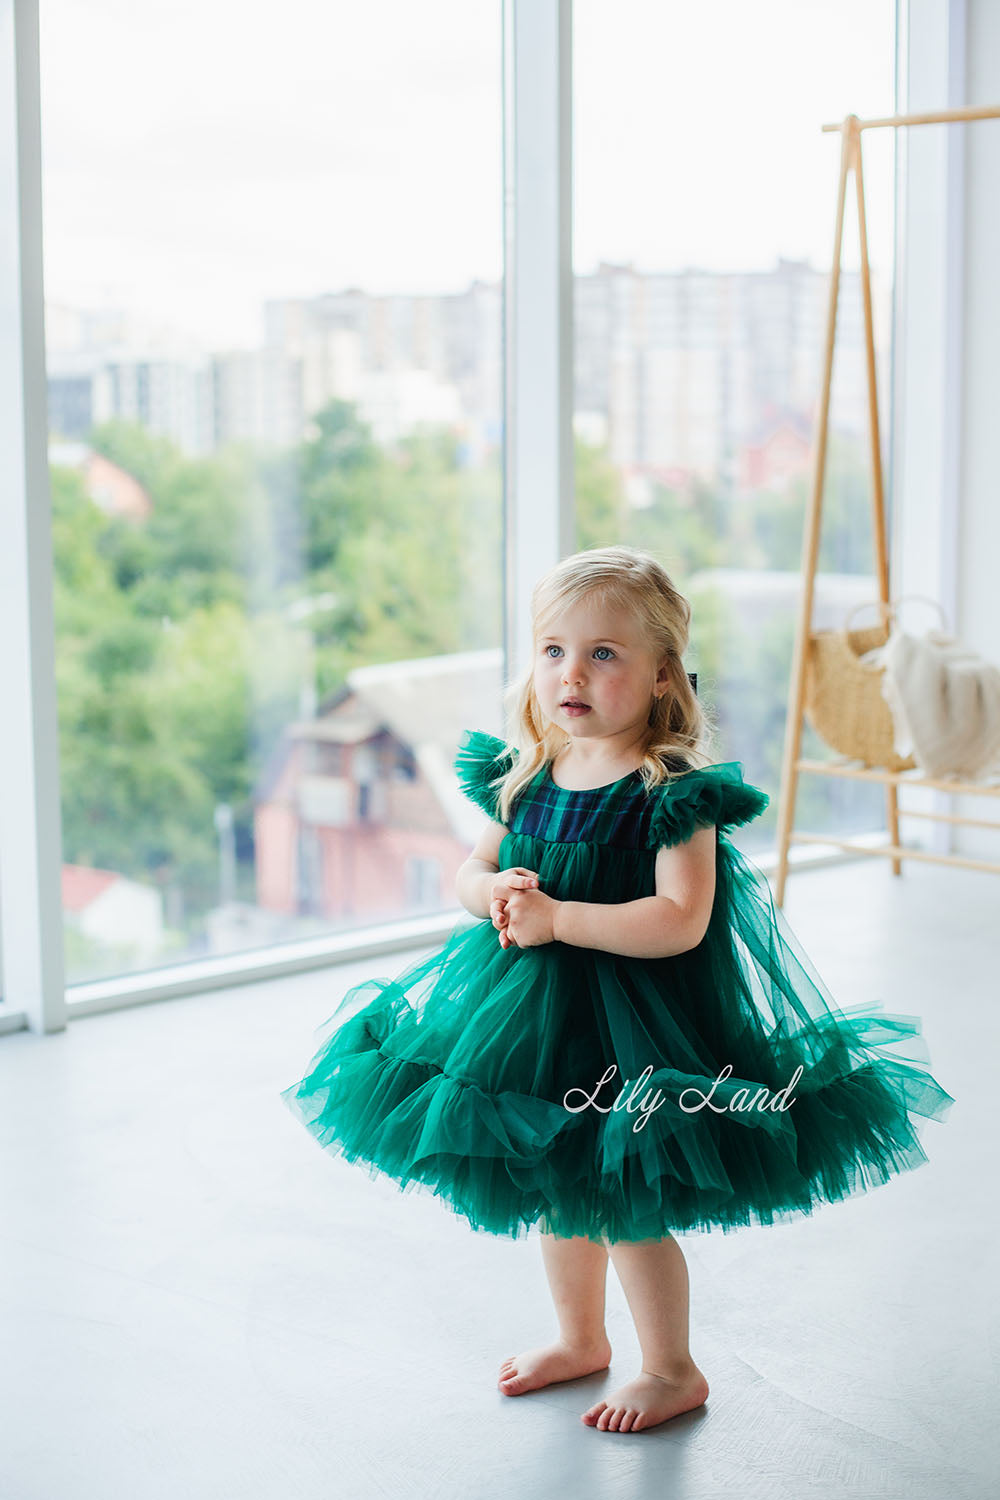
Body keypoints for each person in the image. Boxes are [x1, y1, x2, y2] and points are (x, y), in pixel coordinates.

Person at [280, 544, 955, 1436]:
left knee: (627, 1193)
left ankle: (673, 1367)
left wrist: (562, 919)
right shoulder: (525, 774)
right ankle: (578, 1336)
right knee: (556, 1182)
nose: (574, 672)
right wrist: (494, 897)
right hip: (531, 1017)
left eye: (605, 653)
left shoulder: (670, 791)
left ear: (662, 674)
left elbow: (680, 917)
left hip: (643, 1027)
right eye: (555, 650)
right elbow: (471, 868)